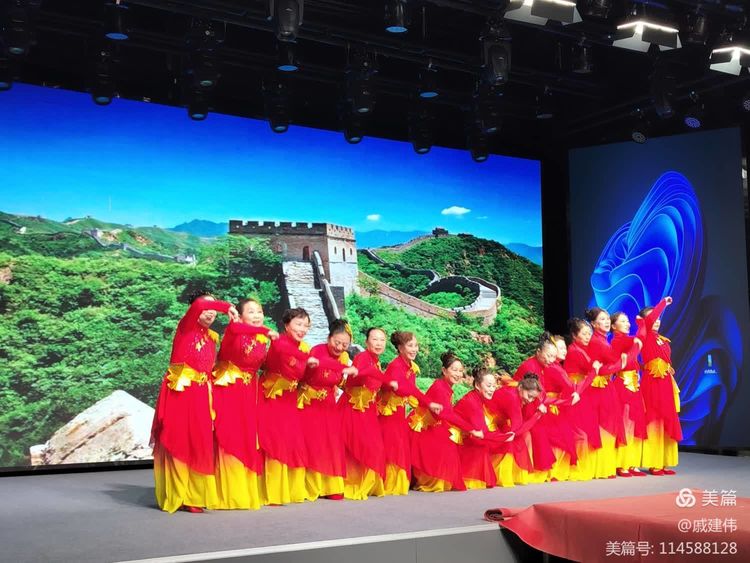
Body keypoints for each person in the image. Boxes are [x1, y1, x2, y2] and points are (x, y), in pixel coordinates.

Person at [151, 292, 238, 513]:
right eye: (207, 308)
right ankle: (177, 494)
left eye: (213, 309)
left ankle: (195, 496)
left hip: (201, 393)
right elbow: (200, 304)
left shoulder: (212, 337)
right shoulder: (186, 327)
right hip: (180, 392)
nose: (210, 312)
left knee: (199, 442)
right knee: (178, 440)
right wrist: (225, 306)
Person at [212, 298, 276, 509]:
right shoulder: (234, 330)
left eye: (260, 311)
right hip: (229, 389)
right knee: (230, 436)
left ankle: (245, 491)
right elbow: (237, 329)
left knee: (247, 438)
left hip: (249, 391)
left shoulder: (261, 338)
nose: (257, 315)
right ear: (239, 316)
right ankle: (227, 493)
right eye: (251, 312)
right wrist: (265, 330)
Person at [258, 307, 317, 504]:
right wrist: (306, 359)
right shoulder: (279, 342)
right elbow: (285, 353)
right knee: (274, 442)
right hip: (273, 397)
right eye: (298, 324)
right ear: (286, 325)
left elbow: (305, 376)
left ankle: (292, 490)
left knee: (292, 442)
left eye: (306, 326)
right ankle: (273, 493)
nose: (303, 329)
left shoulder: (304, 348)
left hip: (290, 399)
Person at [299, 319, 358, 501]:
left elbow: (339, 381)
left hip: (329, 404)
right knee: (315, 444)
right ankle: (313, 486)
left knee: (331, 445)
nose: (339, 347)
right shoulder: (318, 350)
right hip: (312, 403)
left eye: (344, 345)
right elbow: (320, 366)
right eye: (337, 342)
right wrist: (344, 368)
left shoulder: (344, 357)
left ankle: (331, 486)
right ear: (329, 338)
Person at [377, 331, 442, 495]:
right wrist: (428, 403)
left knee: (399, 446)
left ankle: (396, 484)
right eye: (410, 346)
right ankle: (388, 484)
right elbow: (407, 389)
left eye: (416, 345)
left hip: (399, 412)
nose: (414, 349)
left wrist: (426, 405)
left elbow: (412, 391)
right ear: (400, 348)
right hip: (389, 414)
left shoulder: (410, 367)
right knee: (392, 447)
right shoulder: (396, 366)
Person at [409, 353, 480, 492]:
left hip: (434, 425)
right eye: (454, 370)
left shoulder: (445, 387)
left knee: (452, 441)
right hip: (422, 427)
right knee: (447, 446)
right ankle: (431, 479)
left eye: (460, 371)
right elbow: (447, 414)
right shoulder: (440, 387)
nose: (458, 374)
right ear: (444, 370)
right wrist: (470, 428)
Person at [340, 328, 388, 500]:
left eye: (382, 340)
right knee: (358, 445)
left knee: (372, 446)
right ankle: (352, 483)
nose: (378, 343)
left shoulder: (376, 361)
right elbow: (360, 372)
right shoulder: (363, 357)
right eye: (374, 339)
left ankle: (366, 484)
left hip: (367, 410)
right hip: (354, 408)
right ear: (367, 342)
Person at [637, 296, 682, 475]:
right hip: (653, 383)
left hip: (665, 382)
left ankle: (664, 462)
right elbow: (649, 321)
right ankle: (653, 462)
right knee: (654, 418)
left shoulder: (662, 339)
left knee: (667, 418)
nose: (656, 320)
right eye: (653, 318)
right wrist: (663, 303)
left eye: (658, 318)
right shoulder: (645, 335)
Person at [584, 308, 628, 479]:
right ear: (593, 324)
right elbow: (604, 368)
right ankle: (602, 468)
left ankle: (606, 466)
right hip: (598, 388)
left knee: (606, 425)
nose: (607, 321)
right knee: (603, 425)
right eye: (602, 319)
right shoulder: (597, 341)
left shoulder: (602, 340)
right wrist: (621, 363)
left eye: (608, 318)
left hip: (604, 386)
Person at [454, 369, 515, 489]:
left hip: (469, 435)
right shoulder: (472, 402)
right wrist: (503, 437)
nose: (492, 389)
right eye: (489, 385)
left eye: (494, 386)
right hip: (457, 440)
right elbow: (481, 433)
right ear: (477, 385)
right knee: (481, 445)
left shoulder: (479, 398)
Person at [609, 311, 648, 477]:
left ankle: (631, 462)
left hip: (634, 386)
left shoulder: (626, 341)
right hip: (623, 386)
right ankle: (622, 463)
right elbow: (641, 338)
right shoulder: (618, 340)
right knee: (625, 424)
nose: (628, 324)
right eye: (623, 321)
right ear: (613, 326)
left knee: (634, 423)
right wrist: (643, 323)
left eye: (628, 321)